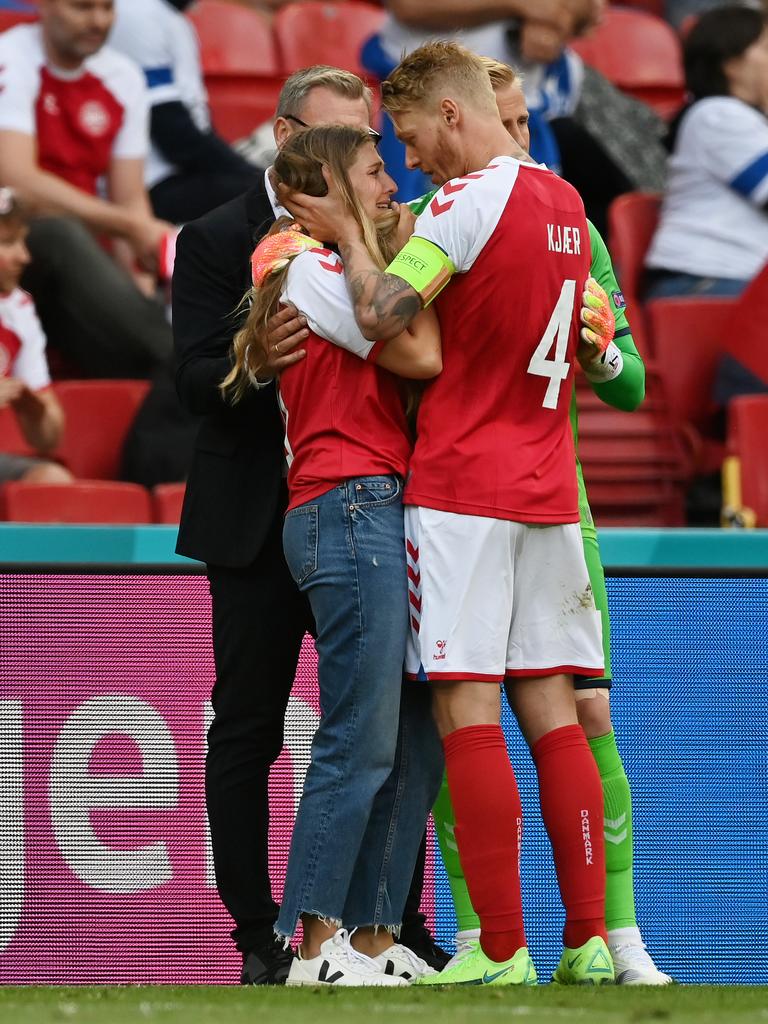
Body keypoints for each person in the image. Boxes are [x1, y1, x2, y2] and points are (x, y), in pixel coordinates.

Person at [286, 40, 612, 987]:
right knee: (553, 712)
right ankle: (586, 940)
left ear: (454, 114)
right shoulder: (566, 200)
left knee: (467, 712)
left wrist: (349, 237)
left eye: (414, 134)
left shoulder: (470, 202)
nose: (414, 158)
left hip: (465, 487)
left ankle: (501, 953)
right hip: (550, 484)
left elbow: (388, 311)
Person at [172, 64, 446, 985]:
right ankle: (274, 936)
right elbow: (190, 380)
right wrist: (258, 360)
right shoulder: (240, 245)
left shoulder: (363, 244)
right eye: (362, 154)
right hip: (280, 507)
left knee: (394, 726)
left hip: (365, 498)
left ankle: (384, 927)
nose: (387, 172)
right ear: (294, 146)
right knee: (263, 727)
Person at [425, 59, 671, 986]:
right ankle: (476, 933)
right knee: (457, 711)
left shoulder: (574, 228)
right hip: (477, 492)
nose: (523, 142)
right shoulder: (436, 223)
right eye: (511, 123)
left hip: (548, 497)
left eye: (530, 123)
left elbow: (638, 386)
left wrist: (600, 351)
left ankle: (616, 934)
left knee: (575, 710)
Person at [0, 0, 174, 376]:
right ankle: (178, 364)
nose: (98, 21)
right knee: (60, 236)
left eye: (108, 8)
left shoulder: (124, 77)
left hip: (79, 262)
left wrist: (138, 292)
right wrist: (130, 227)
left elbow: (129, 200)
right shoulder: (10, 56)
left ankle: (169, 364)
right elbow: (15, 180)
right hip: (13, 237)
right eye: (82, 7)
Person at [646, 5, 768, 300]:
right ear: (732, 63)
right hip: (705, 282)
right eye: (766, 48)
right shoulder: (717, 115)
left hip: (731, 283)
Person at [110, 0, 261, 224]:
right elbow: (174, 135)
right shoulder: (137, 12)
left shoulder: (168, 16)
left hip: (181, 174)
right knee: (269, 198)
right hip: (150, 183)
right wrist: (259, 178)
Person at [0, 189, 72, 486]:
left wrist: (36, 412)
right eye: (8, 242)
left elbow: (47, 441)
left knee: (52, 481)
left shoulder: (17, 307)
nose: (25, 257)